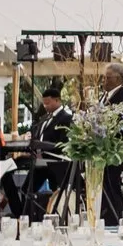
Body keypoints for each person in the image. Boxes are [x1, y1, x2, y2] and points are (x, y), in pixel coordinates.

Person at [98, 65, 123, 229]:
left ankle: (113, 222)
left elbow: (122, 127)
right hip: (101, 151)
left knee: (112, 186)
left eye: (108, 77)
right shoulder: (105, 96)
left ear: (119, 79)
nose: (104, 80)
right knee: (103, 187)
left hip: (115, 151)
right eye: (104, 77)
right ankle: (104, 218)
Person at [30, 84, 73, 215]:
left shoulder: (66, 118)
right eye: (44, 103)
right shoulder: (45, 117)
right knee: (28, 189)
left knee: (58, 192)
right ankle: (30, 215)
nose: (45, 106)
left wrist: (44, 145)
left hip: (56, 162)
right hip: (41, 161)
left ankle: (56, 215)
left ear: (57, 100)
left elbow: (63, 142)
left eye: (48, 103)